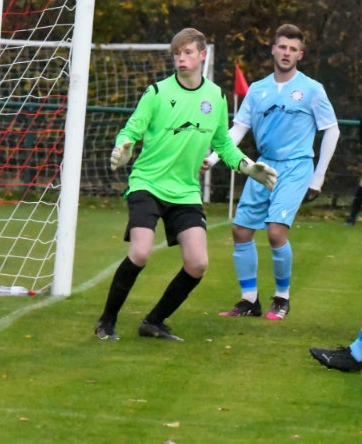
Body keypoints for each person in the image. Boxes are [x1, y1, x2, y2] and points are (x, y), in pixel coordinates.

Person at [95, 28, 277, 342]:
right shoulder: (157, 92)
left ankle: (153, 322)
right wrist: (123, 147)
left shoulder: (216, 96)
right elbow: (131, 129)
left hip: (186, 191)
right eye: (177, 53)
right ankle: (106, 321)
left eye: (188, 52)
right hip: (148, 184)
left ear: (202, 55)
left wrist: (248, 167)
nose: (181, 59)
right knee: (140, 252)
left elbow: (223, 145)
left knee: (197, 264)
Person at [206, 24, 339, 320]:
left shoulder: (312, 89)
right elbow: (239, 128)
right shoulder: (257, 89)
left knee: (276, 232)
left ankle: (282, 298)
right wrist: (212, 159)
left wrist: (318, 177)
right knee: (241, 230)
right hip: (263, 166)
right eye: (283, 47)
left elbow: (332, 130)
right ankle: (249, 301)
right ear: (273, 49)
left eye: (293, 49)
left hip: (296, 167)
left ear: (300, 54)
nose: (287, 53)